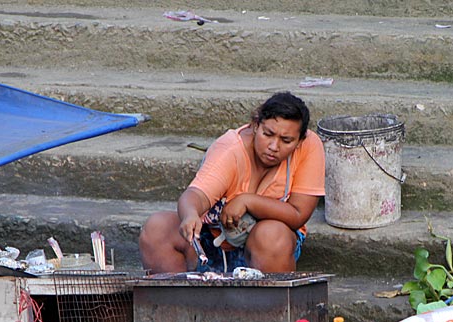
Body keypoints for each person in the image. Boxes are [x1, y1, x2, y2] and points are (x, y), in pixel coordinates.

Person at [139, 92, 325, 273]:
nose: (273, 147)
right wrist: (190, 215)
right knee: (157, 228)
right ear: (255, 125)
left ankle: (269, 304)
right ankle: (180, 302)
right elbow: (196, 195)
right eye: (268, 134)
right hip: (211, 243)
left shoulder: (309, 146)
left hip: (269, 250)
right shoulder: (229, 149)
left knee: (270, 235)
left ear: (300, 141)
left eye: (286, 141)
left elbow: (298, 213)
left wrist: (247, 201)